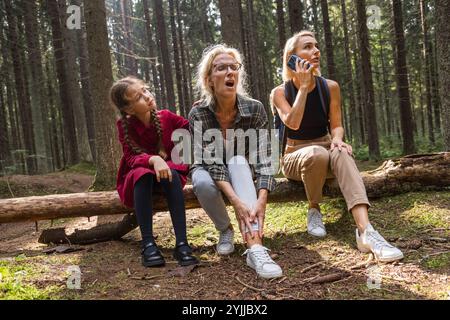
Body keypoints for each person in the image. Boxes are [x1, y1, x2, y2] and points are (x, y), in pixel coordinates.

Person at [270, 31, 403, 262]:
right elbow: (292, 122)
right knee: (317, 154)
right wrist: (302, 87)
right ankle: (314, 209)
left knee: (338, 151)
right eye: (308, 47)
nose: (316, 51)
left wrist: (338, 139)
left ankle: (366, 232)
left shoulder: (330, 87)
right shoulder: (280, 92)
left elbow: (337, 125)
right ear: (292, 57)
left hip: (325, 147)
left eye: (317, 46)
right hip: (294, 155)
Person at [188, 44, 283, 279]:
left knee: (239, 161)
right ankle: (225, 230)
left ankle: (255, 249)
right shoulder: (198, 113)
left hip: (240, 167)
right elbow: (212, 163)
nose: (230, 72)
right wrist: (236, 202)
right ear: (209, 79)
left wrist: (261, 199)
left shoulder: (255, 108)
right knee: (202, 182)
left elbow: (265, 159)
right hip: (207, 167)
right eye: (221, 68)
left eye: (234, 67)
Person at [111, 76, 198, 267]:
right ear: (128, 109)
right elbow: (131, 159)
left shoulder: (166, 117)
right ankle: (148, 243)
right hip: (140, 178)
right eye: (138, 97)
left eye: (145, 90)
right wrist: (154, 159)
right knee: (142, 174)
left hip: (168, 176)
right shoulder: (124, 126)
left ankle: (182, 243)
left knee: (173, 173)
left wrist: (197, 111)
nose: (147, 96)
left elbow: (192, 129)